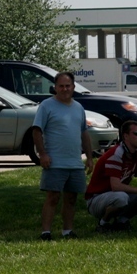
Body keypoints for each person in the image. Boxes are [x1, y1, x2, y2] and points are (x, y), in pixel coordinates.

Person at [32, 71, 94, 241]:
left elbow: (84, 133)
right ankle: (46, 232)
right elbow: (37, 131)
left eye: (68, 86)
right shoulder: (46, 106)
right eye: (61, 86)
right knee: (53, 197)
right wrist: (42, 154)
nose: (65, 89)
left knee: (72, 198)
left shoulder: (78, 108)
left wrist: (89, 158)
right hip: (54, 161)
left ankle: (68, 231)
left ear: (73, 87)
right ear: (55, 87)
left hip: (75, 162)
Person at [85, 120, 137, 232]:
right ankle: (103, 223)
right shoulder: (116, 154)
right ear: (126, 136)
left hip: (115, 195)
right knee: (122, 197)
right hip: (96, 199)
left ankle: (122, 221)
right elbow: (115, 186)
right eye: (136, 134)